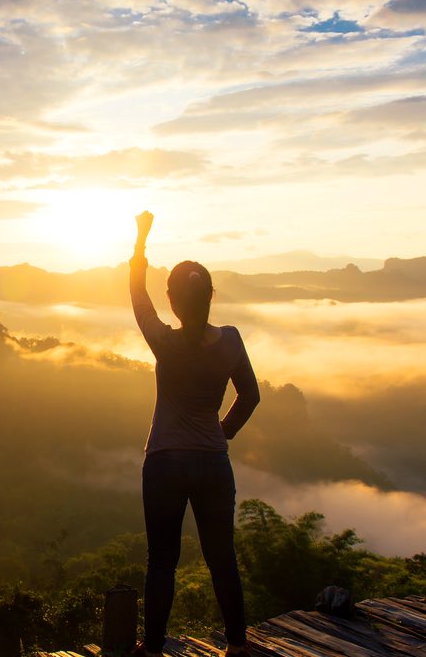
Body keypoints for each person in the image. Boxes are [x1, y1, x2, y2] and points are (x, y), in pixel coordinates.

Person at [129, 210, 259, 657]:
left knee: (162, 560)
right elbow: (251, 396)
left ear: (174, 303)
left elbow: (136, 295)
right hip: (212, 464)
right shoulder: (231, 341)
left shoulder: (164, 342)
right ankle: (238, 644)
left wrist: (141, 241)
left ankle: (154, 647)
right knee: (221, 556)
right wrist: (221, 433)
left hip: (165, 462)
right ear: (210, 298)